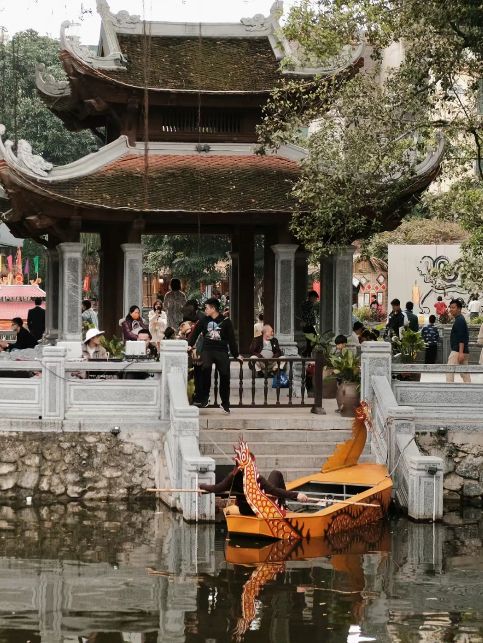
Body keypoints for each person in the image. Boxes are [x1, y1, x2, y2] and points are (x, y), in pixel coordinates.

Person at [199, 449, 308, 515]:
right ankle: (282, 505)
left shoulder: (232, 477)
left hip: (244, 510)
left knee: (272, 486)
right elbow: (275, 491)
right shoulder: (256, 478)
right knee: (276, 474)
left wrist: (202, 486)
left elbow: (217, 488)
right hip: (258, 509)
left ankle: (282, 503)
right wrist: (297, 495)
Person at [188, 297, 241, 414]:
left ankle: (225, 402)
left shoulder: (226, 321)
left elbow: (232, 340)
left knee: (225, 374)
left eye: (206, 308)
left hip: (222, 350)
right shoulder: (203, 320)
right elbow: (195, 333)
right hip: (207, 350)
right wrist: (189, 345)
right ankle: (205, 398)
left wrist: (236, 354)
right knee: (205, 368)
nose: (204, 310)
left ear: (213, 308)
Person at [446, 299, 470, 383]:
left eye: (453, 307)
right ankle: (470, 390)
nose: (451, 309)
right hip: (463, 351)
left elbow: (461, 338)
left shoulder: (459, 320)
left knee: (449, 370)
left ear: (459, 309)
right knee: (465, 373)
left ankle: (449, 390)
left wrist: (460, 353)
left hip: (457, 351)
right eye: (450, 307)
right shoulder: (460, 319)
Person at [301, 290, 319, 356]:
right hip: (307, 325)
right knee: (313, 340)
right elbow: (306, 315)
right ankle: (306, 353)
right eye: (315, 298)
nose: (315, 300)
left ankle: (306, 353)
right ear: (312, 297)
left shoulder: (308, 304)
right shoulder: (308, 304)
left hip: (308, 325)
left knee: (311, 341)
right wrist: (305, 322)